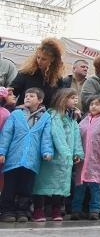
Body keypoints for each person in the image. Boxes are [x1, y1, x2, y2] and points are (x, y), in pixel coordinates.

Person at [0, 87, 54, 223]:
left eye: (31, 96)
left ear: (40, 100)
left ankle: (22, 211)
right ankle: (7, 211)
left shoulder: (46, 117)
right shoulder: (15, 114)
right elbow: (6, 134)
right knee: (9, 187)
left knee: (26, 187)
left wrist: (47, 152)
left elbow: (46, 137)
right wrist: (2, 151)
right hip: (13, 158)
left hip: (31, 160)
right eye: (26, 96)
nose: (27, 98)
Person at [32, 88, 83, 221]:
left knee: (60, 185)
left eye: (76, 98)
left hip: (64, 160)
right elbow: (56, 135)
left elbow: (76, 136)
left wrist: (77, 152)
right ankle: (38, 210)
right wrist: (66, 153)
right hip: (52, 158)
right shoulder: (54, 115)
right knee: (42, 184)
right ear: (63, 99)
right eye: (72, 98)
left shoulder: (71, 118)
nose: (75, 100)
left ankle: (56, 210)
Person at [10, 38, 65, 108]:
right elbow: (12, 92)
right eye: (38, 57)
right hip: (23, 114)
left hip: (45, 116)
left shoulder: (58, 79)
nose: (39, 61)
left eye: (44, 59)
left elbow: (59, 101)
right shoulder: (26, 73)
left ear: (53, 59)